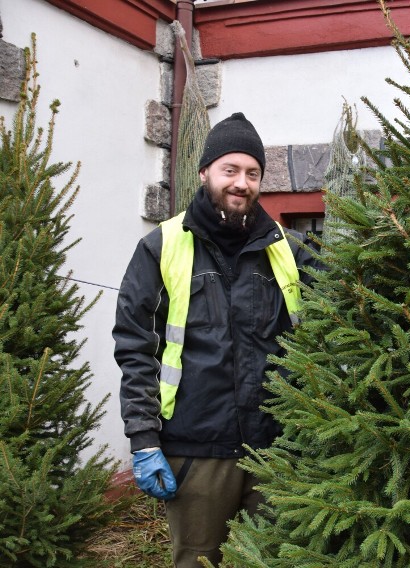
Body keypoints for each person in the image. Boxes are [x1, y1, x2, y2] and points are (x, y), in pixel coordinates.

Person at [114, 112, 321, 567]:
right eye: (230, 170)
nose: (241, 183)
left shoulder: (289, 250)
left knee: (274, 560)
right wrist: (144, 439)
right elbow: (135, 347)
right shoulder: (161, 246)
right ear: (205, 171)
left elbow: (338, 320)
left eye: (252, 173)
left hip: (275, 449)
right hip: (196, 451)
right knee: (197, 562)